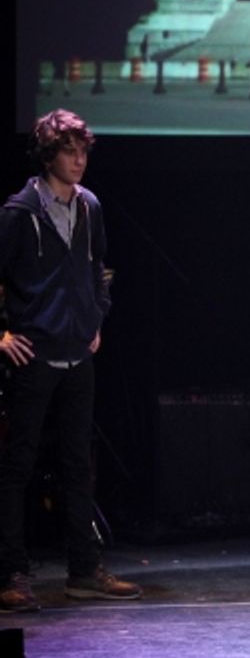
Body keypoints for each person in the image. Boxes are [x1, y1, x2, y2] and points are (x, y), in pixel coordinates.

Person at [0, 109, 142, 613]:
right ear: (48, 154)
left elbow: (98, 270)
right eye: (69, 151)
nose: (79, 161)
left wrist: (95, 319)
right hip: (35, 354)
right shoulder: (19, 213)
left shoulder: (90, 207)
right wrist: (2, 335)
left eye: (83, 151)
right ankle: (13, 575)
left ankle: (83, 570)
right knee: (17, 466)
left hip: (78, 354)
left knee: (79, 467)